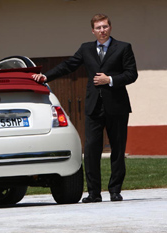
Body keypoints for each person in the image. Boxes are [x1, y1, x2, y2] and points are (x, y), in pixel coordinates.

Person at [33, 14, 138, 202]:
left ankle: (115, 191)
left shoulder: (123, 48)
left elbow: (132, 74)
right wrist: (46, 77)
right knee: (90, 151)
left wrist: (111, 80)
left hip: (117, 107)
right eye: (98, 28)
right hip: (93, 107)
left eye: (105, 27)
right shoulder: (86, 49)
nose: (102, 30)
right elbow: (68, 65)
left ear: (110, 28)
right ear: (93, 30)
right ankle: (93, 193)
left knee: (117, 149)